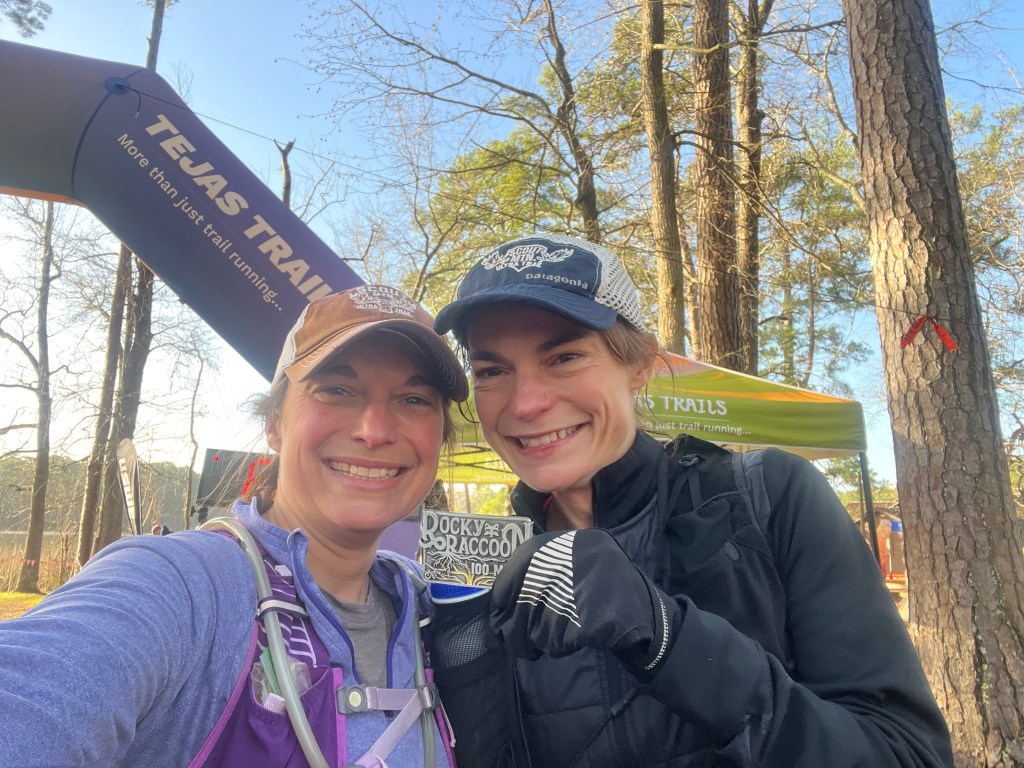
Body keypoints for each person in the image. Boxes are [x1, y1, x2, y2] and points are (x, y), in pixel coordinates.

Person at [428, 235, 954, 767]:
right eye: (491, 370)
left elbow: (906, 754)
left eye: (565, 356)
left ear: (639, 366)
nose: (526, 402)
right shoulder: (492, 575)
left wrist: (665, 636)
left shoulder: (769, 497)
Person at [0, 284, 469, 768]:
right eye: (336, 389)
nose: (375, 430)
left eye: (414, 399)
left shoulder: (431, 608)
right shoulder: (185, 585)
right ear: (275, 424)